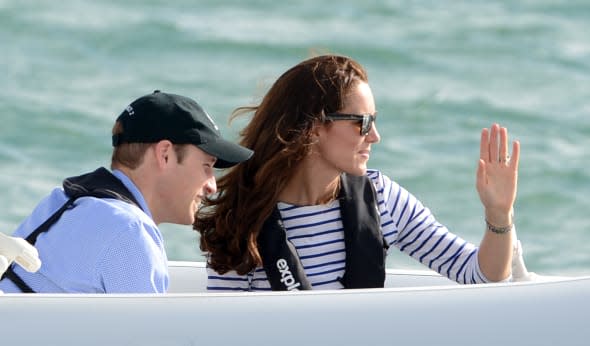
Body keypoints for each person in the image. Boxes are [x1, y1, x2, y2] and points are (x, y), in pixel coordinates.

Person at [194, 54, 520, 291]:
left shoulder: (382, 198)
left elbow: (482, 275)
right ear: (314, 129)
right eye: (362, 123)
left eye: (374, 121)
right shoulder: (242, 218)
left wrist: (499, 214)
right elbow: (230, 334)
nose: (374, 136)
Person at [0, 90, 253, 293]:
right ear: (165, 154)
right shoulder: (130, 230)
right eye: (206, 166)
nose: (212, 185)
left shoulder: (63, 201)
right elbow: (150, 344)